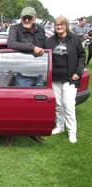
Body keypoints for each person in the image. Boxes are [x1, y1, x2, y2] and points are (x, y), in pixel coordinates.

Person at [7, 7, 46, 143]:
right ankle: (12, 134)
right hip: (22, 73)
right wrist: (32, 48)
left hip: (39, 72)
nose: (27, 20)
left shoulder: (40, 29)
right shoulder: (14, 28)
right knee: (18, 106)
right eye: (25, 17)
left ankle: (34, 132)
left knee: (37, 107)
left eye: (30, 17)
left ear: (35, 18)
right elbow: (11, 43)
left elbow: (45, 46)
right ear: (21, 17)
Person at [45, 16, 85, 144]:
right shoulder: (49, 41)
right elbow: (43, 54)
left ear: (66, 26)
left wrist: (78, 73)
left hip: (70, 78)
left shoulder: (74, 39)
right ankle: (60, 127)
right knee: (58, 105)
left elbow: (82, 56)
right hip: (55, 78)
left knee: (69, 105)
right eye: (57, 24)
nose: (59, 27)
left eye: (61, 25)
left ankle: (72, 131)